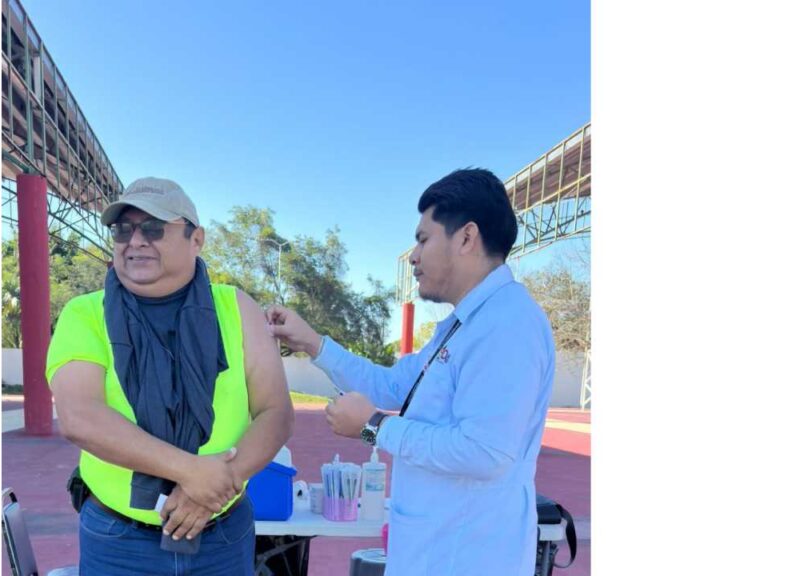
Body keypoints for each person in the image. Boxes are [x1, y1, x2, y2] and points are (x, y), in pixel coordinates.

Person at [267, 168, 555, 575]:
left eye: (423, 239)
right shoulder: (463, 326)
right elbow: (391, 386)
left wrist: (373, 427)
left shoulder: (508, 323)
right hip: (435, 551)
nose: (414, 255)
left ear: (466, 238)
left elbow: (486, 452)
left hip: (468, 558)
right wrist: (314, 343)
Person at [47, 177, 294, 575]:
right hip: (119, 542)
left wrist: (213, 489)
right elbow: (81, 418)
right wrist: (192, 473)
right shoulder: (85, 313)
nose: (136, 240)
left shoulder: (236, 308)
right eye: (123, 229)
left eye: (154, 228)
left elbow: (275, 411)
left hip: (222, 537)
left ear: (197, 239)